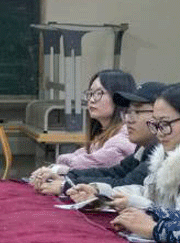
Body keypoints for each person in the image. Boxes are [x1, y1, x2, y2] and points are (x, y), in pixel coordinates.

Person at [34, 82, 165, 196]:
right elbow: (115, 172)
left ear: (161, 115)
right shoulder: (143, 146)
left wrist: (66, 183)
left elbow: (126, 183)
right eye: (128, 112)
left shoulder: (161, 150)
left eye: (137, 112)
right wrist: (68, 178)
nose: (128, 119)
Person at [30, 69, 136, 185]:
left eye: (99, 93)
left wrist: (54, 170)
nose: (91, 100)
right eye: (90, 93)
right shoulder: (103, 136)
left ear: (120, 97)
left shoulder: (124, 137)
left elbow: (83, 165)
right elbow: (78, 156)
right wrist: (53, 169)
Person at [108, 84, 180, 242]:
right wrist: (102, 193)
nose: (159, 133)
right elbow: (148, 193)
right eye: (155, 124)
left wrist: (153, 228)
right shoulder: (163, 158)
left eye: (165, 124)